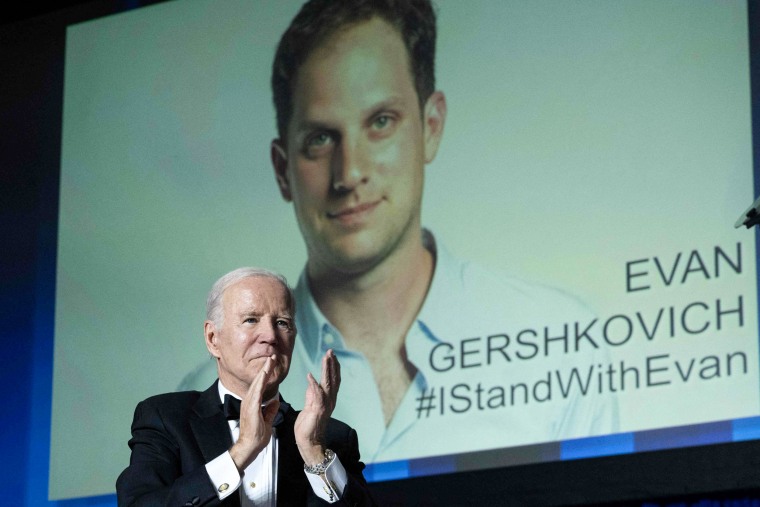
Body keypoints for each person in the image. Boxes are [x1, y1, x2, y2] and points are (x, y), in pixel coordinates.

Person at [182, 0, 618, 464]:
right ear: (282, 168)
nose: (349, 174)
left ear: (431, 127)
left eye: (381, 122)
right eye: (320, 138)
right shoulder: (196, 404)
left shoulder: (561, 342)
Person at [117, 267, 375, 506]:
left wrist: (313, 450)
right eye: (251, 320)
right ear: (212, 338)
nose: (271, 336)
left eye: (282, 323)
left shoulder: (333, 438)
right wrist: (240, 452)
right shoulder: (165, 418)